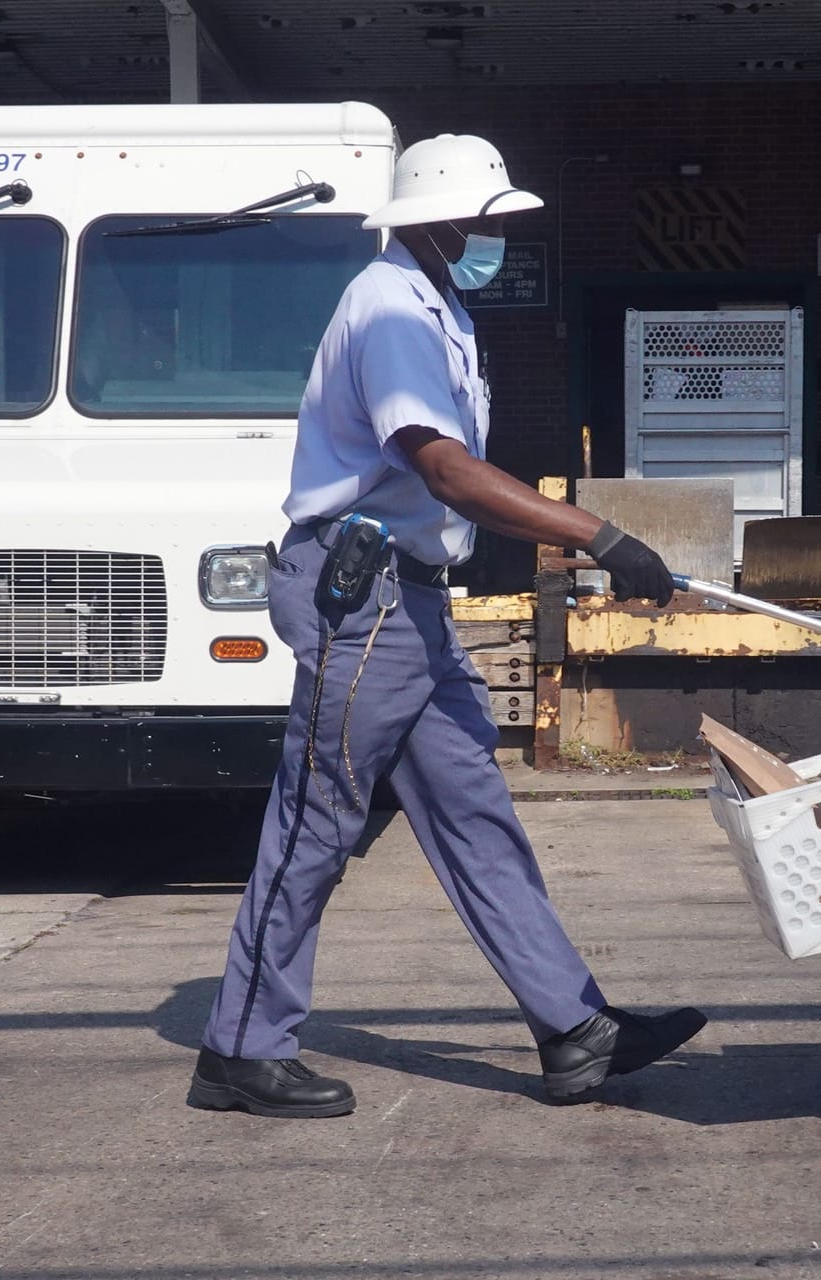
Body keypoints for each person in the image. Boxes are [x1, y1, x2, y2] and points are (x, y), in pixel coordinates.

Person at [190, 134, 706, 1119]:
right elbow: (444, 469)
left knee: (476, 811)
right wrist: (597, 533)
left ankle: (575, 1028)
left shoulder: (436, 303)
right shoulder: (390, 307)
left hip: (409, 597)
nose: (489, 235)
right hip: (363, 594)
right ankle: (240, 1047)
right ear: (432, 217)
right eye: (479, 218)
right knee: (318, 819)